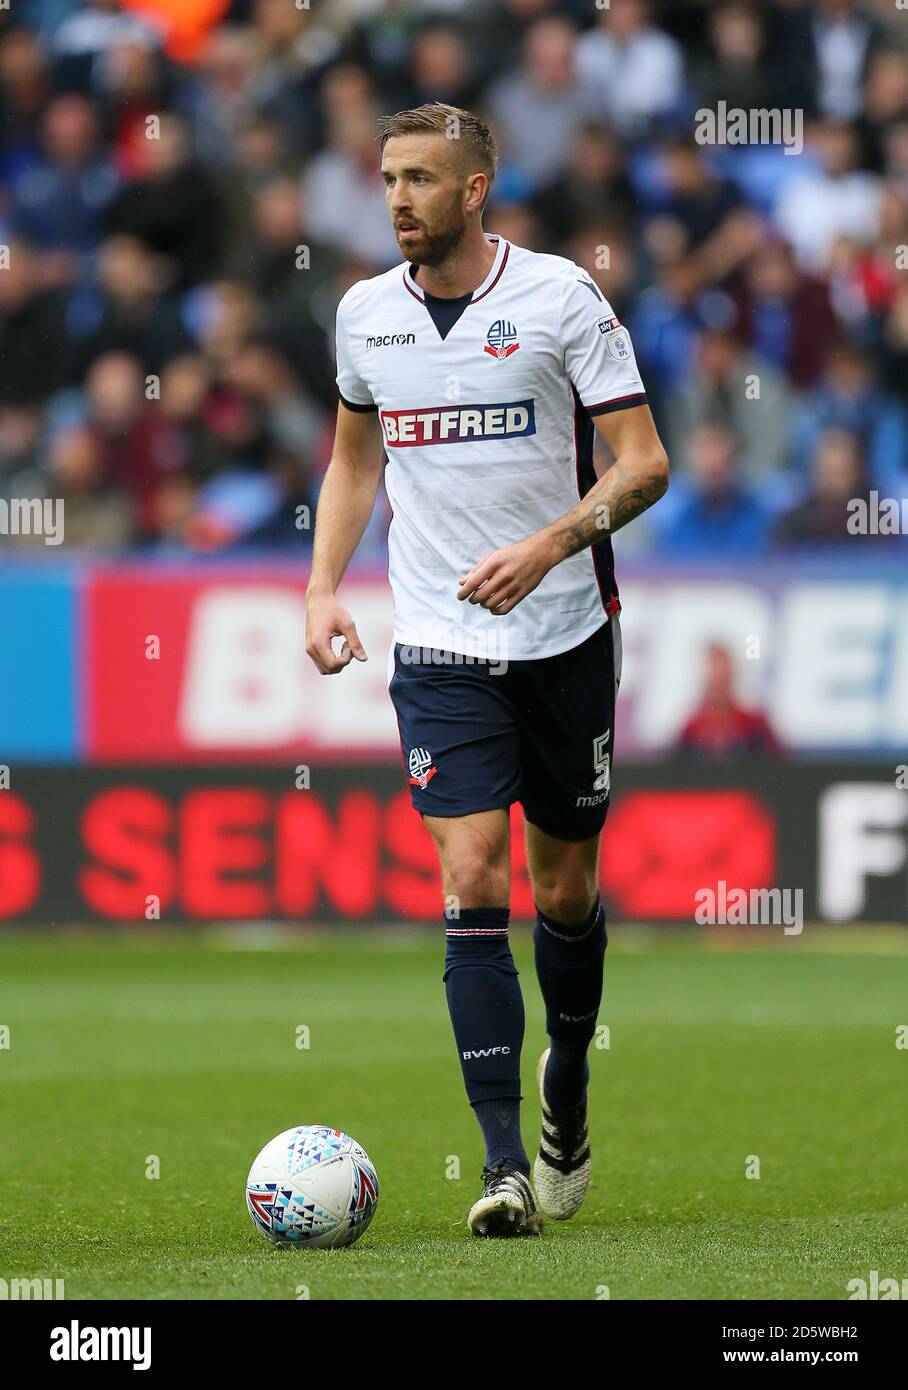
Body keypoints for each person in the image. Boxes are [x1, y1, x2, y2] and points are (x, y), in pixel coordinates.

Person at [305, 103, 669, 1237]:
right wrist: (321, 586)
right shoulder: (364, 315)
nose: (397, 197)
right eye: (386, 178)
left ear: (474, 189)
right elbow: (354, 456)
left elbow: (643, 464)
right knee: (471, 875)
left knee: (563, 888)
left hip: (561, 632)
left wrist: (549, 543)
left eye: (419, 177)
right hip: (439, 645)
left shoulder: (560, 297)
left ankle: (566, 1080)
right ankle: (504, 1161)